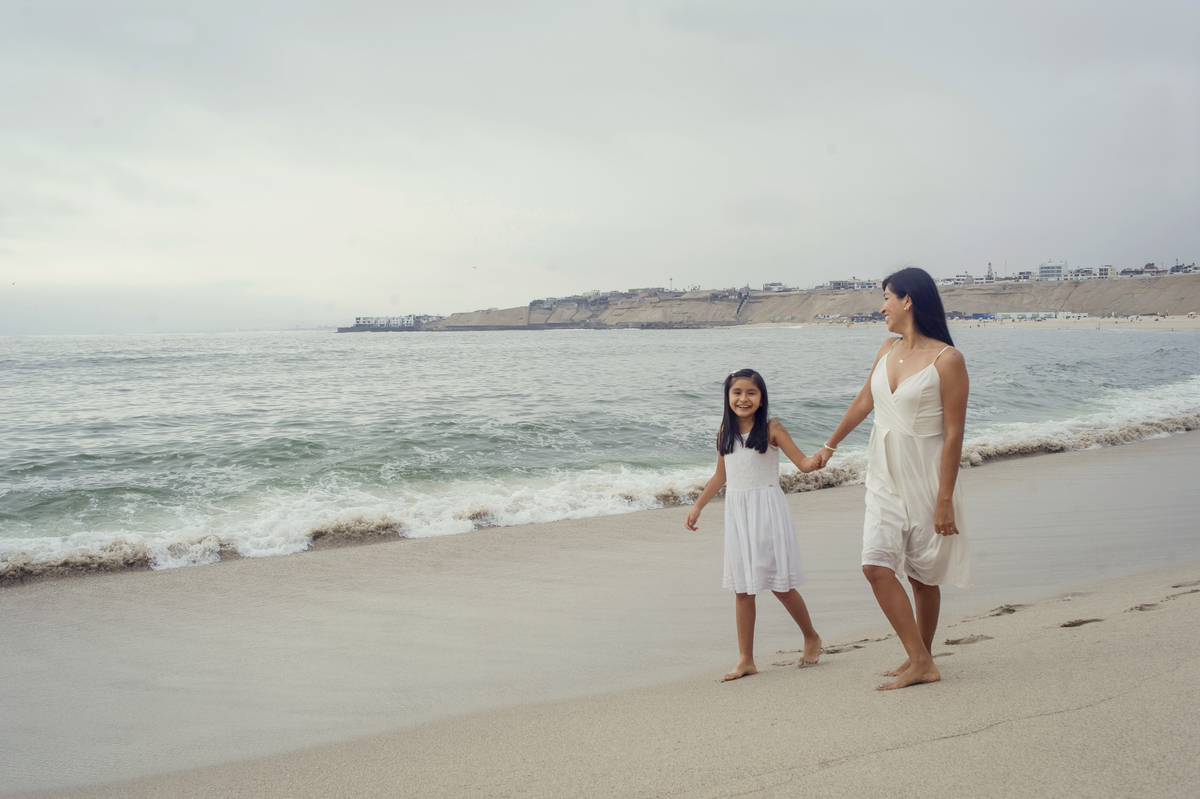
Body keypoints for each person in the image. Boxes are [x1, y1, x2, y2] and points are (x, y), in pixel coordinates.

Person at [813, 267, 972, 690]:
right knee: (875, 566)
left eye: (886, 297)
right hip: (883, 471)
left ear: (908, 300)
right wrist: (829, 446)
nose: (881, 306)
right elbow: (865, 400)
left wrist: (944, 498)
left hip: (925, 474)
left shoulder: (948, 360)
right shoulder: (886, 348)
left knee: (923, 575)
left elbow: (954, 434)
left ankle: (922, 659)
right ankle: (920, 659)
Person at [685, 369, 824, 681]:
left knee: (780, 584)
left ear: (761, 399)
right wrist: (698, 506)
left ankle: (811, 636)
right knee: (742, 588)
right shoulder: (725, 431)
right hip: (738, 512)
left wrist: (816, 460)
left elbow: (801, 464)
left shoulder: (772, 429)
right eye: (737, 392)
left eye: (751, 393)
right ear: (728, 397)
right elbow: (721, 476)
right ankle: (746, 659)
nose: (743, 398)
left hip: (767, 511)